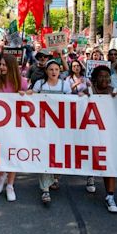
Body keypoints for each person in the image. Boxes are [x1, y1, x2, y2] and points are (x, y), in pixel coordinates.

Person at [29, 59, 71, 204]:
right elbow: (31, 100)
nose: (54, 72)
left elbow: (71, 103)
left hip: (60, 127)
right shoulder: (39, 84)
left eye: (56, 70)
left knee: (59, 155)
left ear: (60, 71)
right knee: (44, 155)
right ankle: (45, 189)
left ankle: (55, 177)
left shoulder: (65, 85)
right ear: (46, 71)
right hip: (42, 126)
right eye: (51, 69)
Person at [81, 65, 117, 213]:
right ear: (95, 78)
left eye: (107, 76)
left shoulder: (115, 92)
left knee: (108, 165)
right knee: (90, 157)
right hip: (90, 134)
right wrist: (79, 98)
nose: (104, 79)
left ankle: (110, 196)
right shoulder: (88, 92)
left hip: (109, 136)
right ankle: (90, 176)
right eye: (101, 76)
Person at [0, 54, 28, 202]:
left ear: (11, 66)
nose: (2, 67)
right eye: (1, 65)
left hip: (16, 123)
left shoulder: (22, 82)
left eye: (5, 65)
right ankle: (1, 175)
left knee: (14, 152)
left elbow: (31, 98)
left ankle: (10, 185)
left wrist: (27, 94)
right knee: (0, 150)